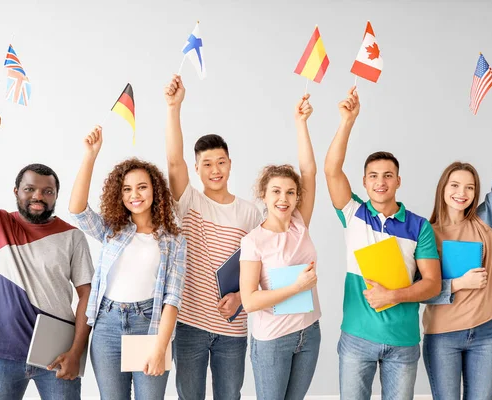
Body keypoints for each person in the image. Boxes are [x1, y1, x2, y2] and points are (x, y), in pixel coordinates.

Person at [0, 99, 94, 400]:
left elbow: (87, 298)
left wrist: (76, 351)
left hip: (57, 354)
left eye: (47, 191)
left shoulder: (72, 236)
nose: (38, 196)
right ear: (16, 192)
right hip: (0, 354)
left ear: (55, 196)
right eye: (30, 189)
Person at [324, 87, 442, 400]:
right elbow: (331, 170)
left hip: (403, 341)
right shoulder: (354, 214)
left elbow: (432, 284)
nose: (380, 182)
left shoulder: (420, 227)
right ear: (364, 182)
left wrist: (393, 294)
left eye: (388, 175)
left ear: (398, 181)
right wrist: (347, 121)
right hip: (356, 338)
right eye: (373, 176)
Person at [164, 74, 263, 399]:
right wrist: (174, 108)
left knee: (229, 396)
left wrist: (241, 301)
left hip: (232, 326)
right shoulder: (189, 200)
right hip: (190, 324)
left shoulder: (250, 213)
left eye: (221, 162)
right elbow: (173, 161)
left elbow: (260, 268)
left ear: (230, 164)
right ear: (197, 169)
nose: (215, 169)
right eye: (207, 164)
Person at [69, 126, 186, 399]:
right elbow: (77, 211)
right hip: (107, 325)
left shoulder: (173, 240)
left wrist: (159, 348)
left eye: (142, 187)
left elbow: (172, 300)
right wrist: (90, 156)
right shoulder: (113, 230)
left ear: (154, 190)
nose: (135, 194)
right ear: (119, 195)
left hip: (149, 324)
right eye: (127, 189)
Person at [422, 93, 492, 400]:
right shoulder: (426, 234)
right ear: (443, 188)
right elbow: (417, 289)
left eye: (469, 187)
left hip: (485, 334)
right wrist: (458, 284)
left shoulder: (484, 223)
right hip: (442, 336)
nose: (461, 193)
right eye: (455, 185)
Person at [239, 94, 321, 399]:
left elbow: (309, 172)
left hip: (308, 333)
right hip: (273, 340)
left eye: (290, 192)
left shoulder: (300, 222)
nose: (283, 199)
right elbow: (249, 301)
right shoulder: (253, 241)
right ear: (264, 194)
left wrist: (301, 123)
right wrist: (297, 287)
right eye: (276, 191)